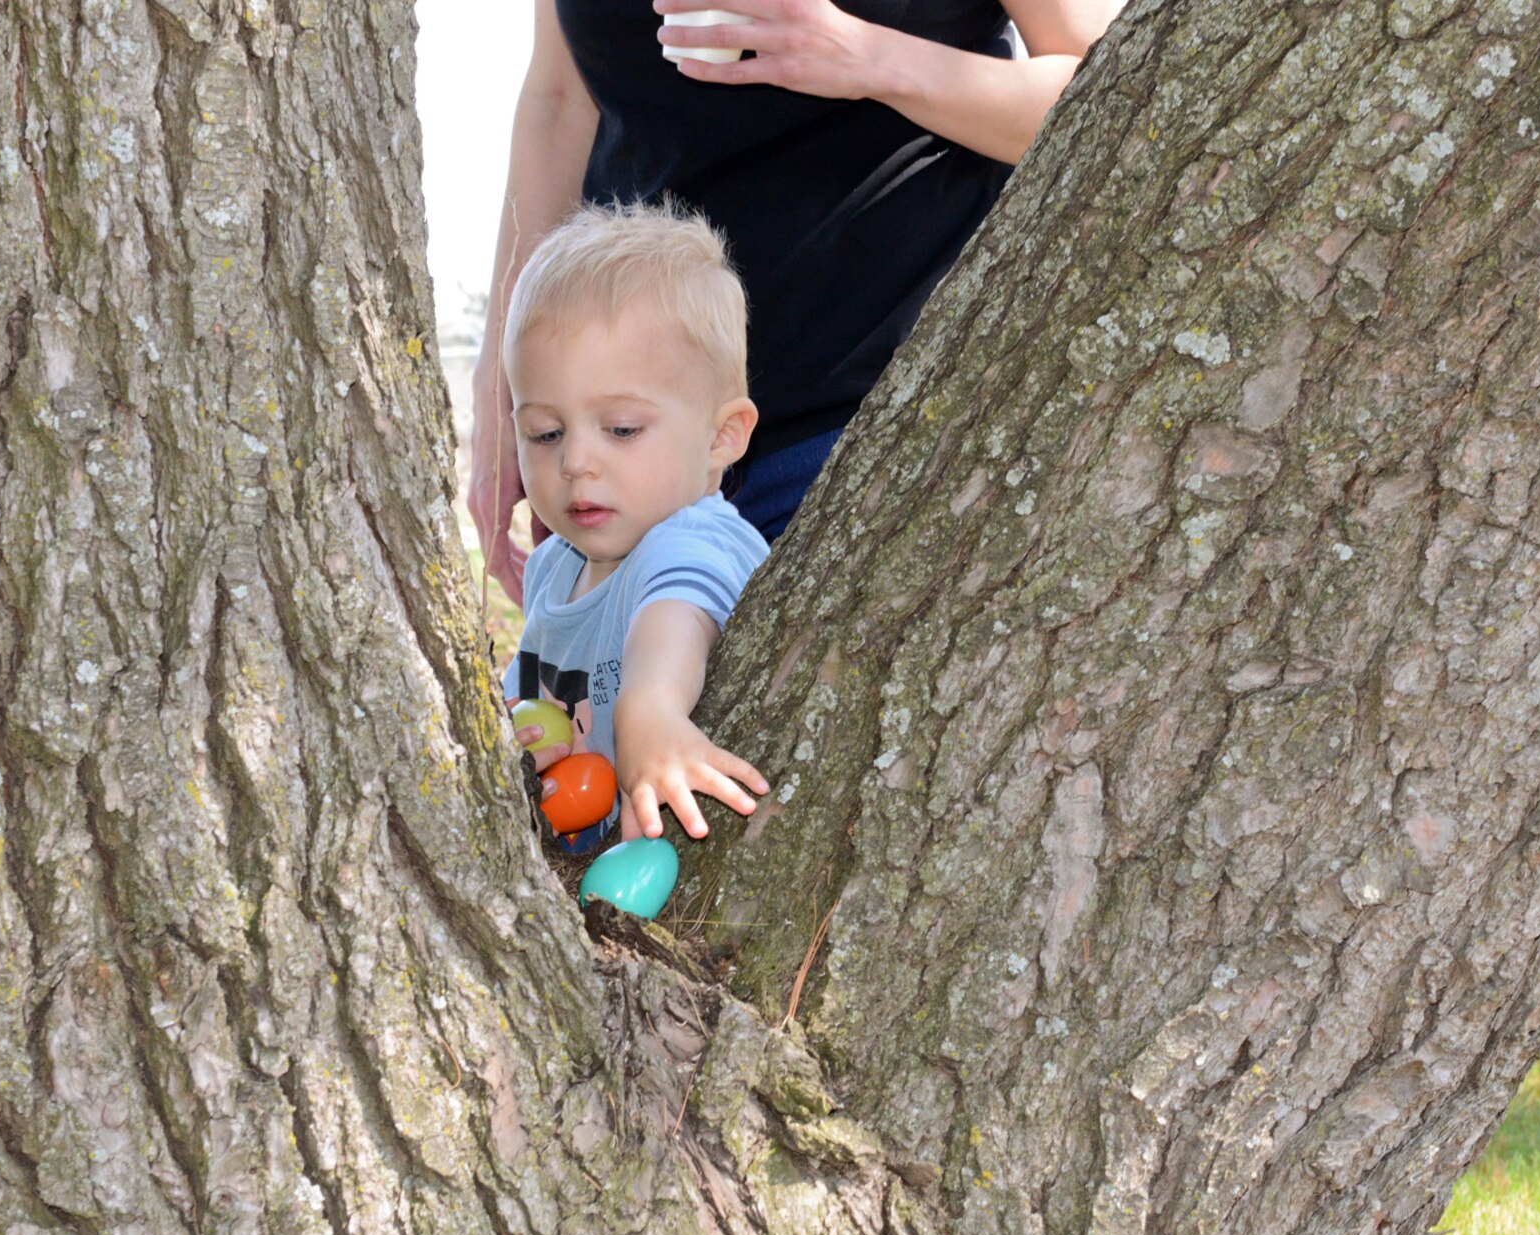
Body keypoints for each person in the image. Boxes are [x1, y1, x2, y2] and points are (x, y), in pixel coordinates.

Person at [470, 0, 1120, 602]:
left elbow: (1115, 93)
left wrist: (865, 56)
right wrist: (507, 391)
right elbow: (559, 101)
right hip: (628, 462)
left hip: (889, 429)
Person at [500, 204, 771, 847]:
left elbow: (676, 616)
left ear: (721, 437)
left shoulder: (695, 538)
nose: (575, 462)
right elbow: (524, 704)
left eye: (621, 429)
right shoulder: (554, 566)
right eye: (545, 432)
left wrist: (650, 710)